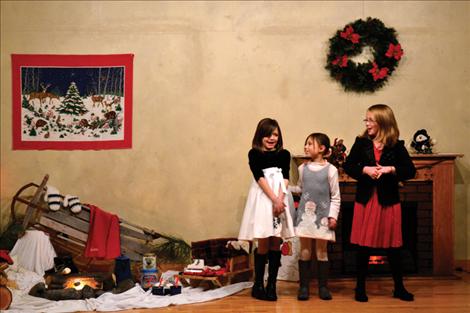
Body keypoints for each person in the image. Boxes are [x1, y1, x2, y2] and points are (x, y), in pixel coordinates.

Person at [343, 104, 416, 302]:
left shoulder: (396, 145)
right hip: (366, 200)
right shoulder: (361, 143)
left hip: (388, 201)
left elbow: (410, 170)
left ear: (382, 122)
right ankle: (360, 288)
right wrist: (365, 170)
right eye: (365, 120)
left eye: (370, 120)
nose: (367, 124)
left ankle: (399, 288)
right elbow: (348, 165)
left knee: (393, 246)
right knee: (363, 246)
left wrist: (390, 169)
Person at [238, 118, 295, 301]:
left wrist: (280, 198)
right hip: (263, 197)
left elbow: (285, 176)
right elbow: (259, 177)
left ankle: (272, 286)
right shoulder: (254, 154)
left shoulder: (284, 154)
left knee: (275, 240)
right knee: (263, 240)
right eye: (268, 134)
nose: (272, 138)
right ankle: (258, 284)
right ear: (260, 136)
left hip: (280, 197)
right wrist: (273, 198)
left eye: (276, 134)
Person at [290, 133, 341, 301]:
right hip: (305, 217)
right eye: (306, 143)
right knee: (305, 251)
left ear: (322, 148)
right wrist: (285, 188)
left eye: (310, 144)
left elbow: (335, 197)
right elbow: (300, 189)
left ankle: (323, 287)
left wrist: (333, 216)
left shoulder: (331, 170)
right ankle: (303, 287)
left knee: (321, 251)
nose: (306, 147)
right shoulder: (302, 169)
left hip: (322, 218)